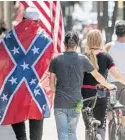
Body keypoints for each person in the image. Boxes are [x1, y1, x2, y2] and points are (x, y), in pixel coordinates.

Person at [49, 31, 116, 140]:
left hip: (60, 102)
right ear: (77, 44)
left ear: (64, 44)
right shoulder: (82, 59)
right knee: (72, 133)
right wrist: (108, 85)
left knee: (62, 134)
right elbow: (98, 76)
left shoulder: (56, 59)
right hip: (76, 102)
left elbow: (51, 85)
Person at [81, 29, 125, 139]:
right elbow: (117, 75)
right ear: (101, 41)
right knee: (101, 124)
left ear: (88, 41)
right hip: (101, 93)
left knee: (88, 125)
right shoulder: (106, 57)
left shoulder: (83, 57)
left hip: (85, 94)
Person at [9, 7, 47, 140]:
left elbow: (3, 63)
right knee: (36, 137)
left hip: (17, 88)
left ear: (23, 20)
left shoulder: (12, 37)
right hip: (37, 89)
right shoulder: (44, 40)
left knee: (21, 136)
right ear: (38, 22)